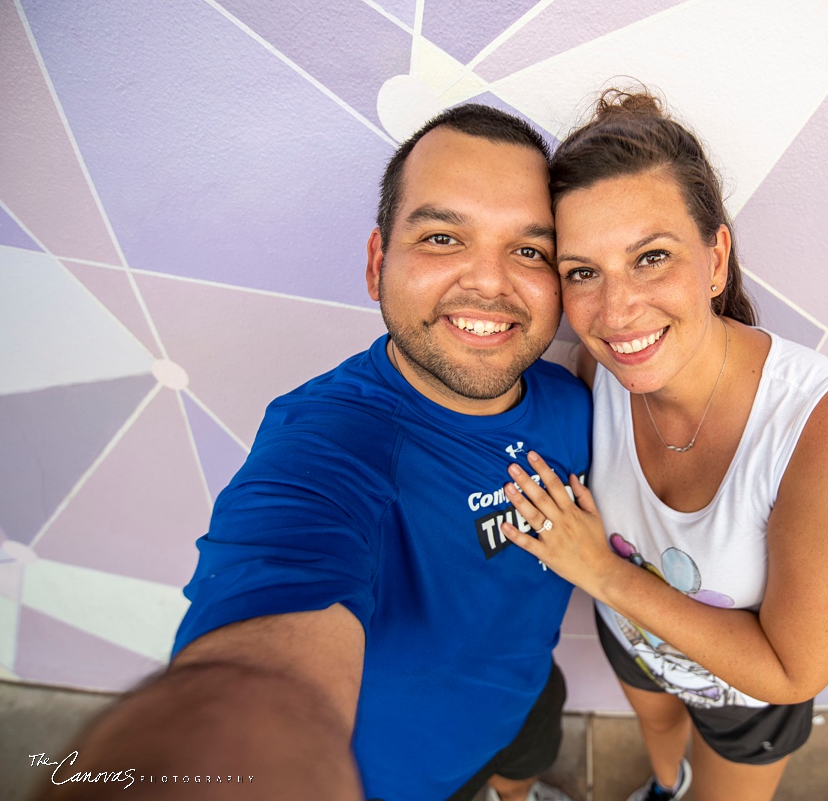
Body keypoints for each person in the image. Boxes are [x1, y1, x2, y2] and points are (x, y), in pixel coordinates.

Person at [34, 105, 589, 801]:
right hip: (398, 783)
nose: (489, 282)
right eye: (444, 236)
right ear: (377, 262)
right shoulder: (328, 441)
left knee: (529, 749)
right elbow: (262, 657)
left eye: (529, 250)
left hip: (523, 693)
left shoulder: (570, 401)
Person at [498, 90, 828, 801]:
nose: (616, 312)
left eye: (651, 257)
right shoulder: (600, 370)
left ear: (716, 261)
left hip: (745, 697)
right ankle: (664, 784)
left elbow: (792, 671)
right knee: (659, 738)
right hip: (632, 640)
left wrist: (605, 574)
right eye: (582, 271)